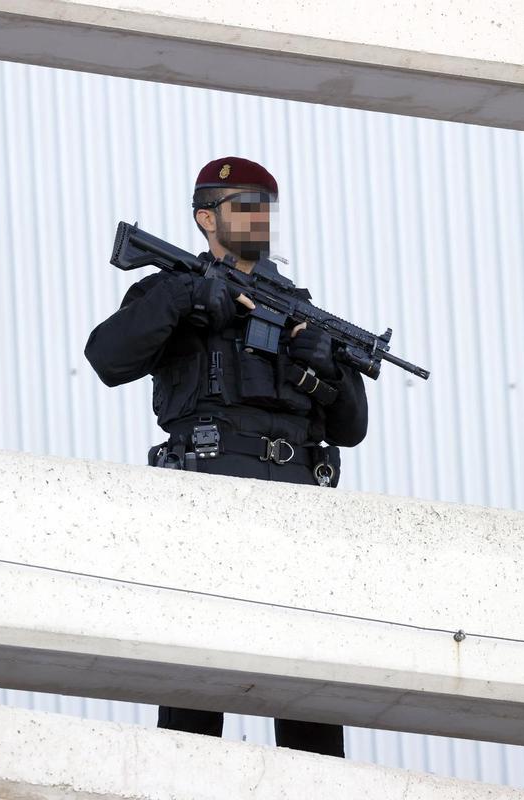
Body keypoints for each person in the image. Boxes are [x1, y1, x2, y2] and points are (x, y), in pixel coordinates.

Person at [84, 156, 368, 757]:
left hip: (299, 514)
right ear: (205, 218)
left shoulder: (302, 310)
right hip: (206, 504)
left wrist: (324, 367)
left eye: (266, 207)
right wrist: (186, 297)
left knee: (309, 701)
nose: (260, 217)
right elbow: (107, 358)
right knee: (197, 693)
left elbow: (351, 429)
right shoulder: (170, 288)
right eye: (244, 205)